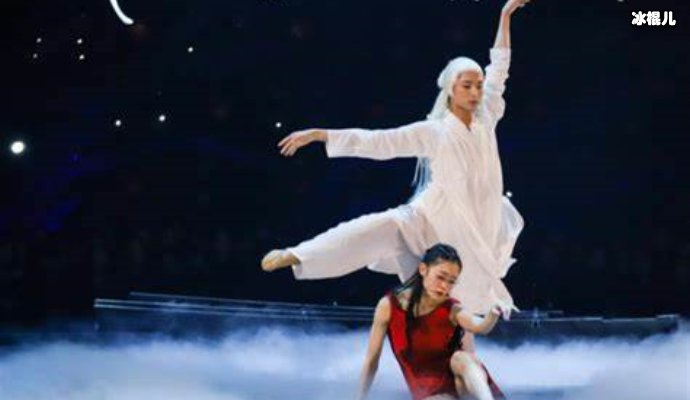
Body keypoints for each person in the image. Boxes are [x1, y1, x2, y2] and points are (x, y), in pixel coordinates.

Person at [262, 0, 532, 315]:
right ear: (450, 89)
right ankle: (300, 254)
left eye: (478, 87)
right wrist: (323, 134)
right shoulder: (434, 132)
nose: (475, 92)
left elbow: (499, 67)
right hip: (432, 216)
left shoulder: (487, 116)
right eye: (467, 86)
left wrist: (505, 15)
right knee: (379, 226)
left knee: (459, 305)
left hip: (475, 227)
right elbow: (380, 142)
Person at [357, 243, 508, 400]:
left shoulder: (452, 308)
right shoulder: (388, 306)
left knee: (462, 358)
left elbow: (481, 326)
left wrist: (493, 313)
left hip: (466, 389)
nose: (444, 286)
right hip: (430, 395)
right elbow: (371, 361)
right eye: (440, 277)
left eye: (451, 281)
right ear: (423, 270)